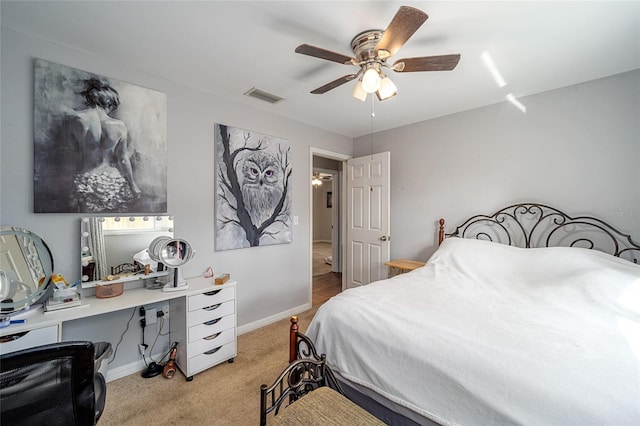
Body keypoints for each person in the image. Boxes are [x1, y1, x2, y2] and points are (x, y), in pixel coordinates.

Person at [64, 78, 141, 210]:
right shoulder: (119, 126)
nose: (111, 110)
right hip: (113, 180)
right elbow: (122, 159)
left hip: (86, 179)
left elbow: (73, 148)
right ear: (107, 102)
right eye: (112, 106)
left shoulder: (76, 120)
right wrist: (133, 185)